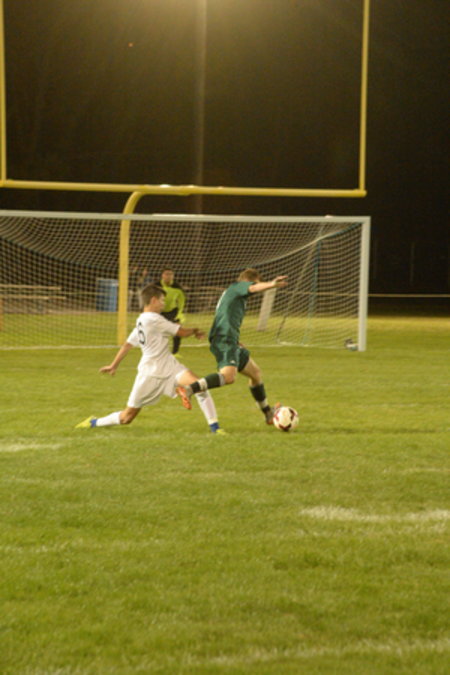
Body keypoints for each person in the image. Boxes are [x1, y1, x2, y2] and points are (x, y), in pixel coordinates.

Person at [76, 283, 225, 434]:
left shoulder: (141, 320)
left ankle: (215, 428)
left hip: (170, 367)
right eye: (162, 300)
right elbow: (181, 332)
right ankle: (93, 422)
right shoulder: (154, 319)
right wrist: (195, 330)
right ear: (153, 300)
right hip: (150, 374)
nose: (164, 304)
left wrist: (113, 365)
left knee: (200, 386)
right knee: (126, 417)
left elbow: (128, 344)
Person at [177, 268, 287, 425]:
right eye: (255, 283)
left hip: (230, 340)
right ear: (249, 281)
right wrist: (271, 284)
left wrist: (236, 340)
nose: (254, 289)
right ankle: (189, 389)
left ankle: (268, 414)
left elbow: (227, 317)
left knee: (255, 374)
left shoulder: (235, 295)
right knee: (228, 377)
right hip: (224, 339)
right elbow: (253, 288)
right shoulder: (237, 287)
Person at [157, 267, 186, 354]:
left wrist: (179, 314)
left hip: (172, 311)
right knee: (157, 332)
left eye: (170, 274)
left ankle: (175, 353)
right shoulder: (156, 286)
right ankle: (158, 351)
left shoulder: (177, 287)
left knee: (177, 330)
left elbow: (181, 301)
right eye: (166, 274)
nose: (168, 276)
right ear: (162, 275)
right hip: (159, 311)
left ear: (173, 276)